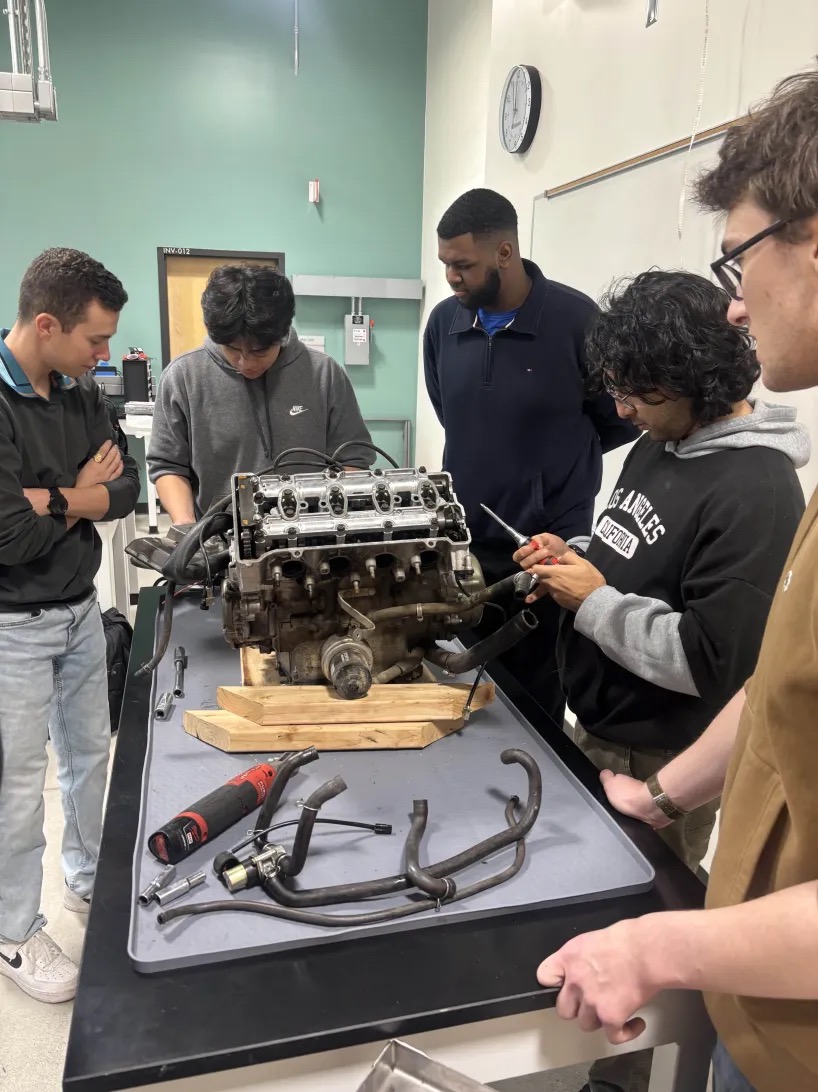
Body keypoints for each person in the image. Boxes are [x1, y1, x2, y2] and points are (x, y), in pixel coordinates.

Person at [533, 65, 818, 1092]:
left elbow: (712, 661)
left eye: (738, 259)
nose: (735, 305)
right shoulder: (659, 450)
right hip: (757, 996)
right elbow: (774, 687)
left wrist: (661, 945)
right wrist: (578, 563)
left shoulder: (759, 489)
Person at [423, 188, 636, 729]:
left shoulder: (577, 321)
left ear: (505, 252)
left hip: (547, 550)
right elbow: (451, 412)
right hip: (464, 548)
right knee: (461, 694)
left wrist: (548, 469)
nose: (451, 277)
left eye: (463, 265)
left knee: (536, 702)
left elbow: (617, 419)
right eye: (445, 263)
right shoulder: (445, 324)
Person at [0, 248, 140, 1004]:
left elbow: (125, 490)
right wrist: (78, 492)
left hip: (80, 611)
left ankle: (89, 880)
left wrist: (48, 498)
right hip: (10, 626)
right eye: (96, 339)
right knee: (18, 783)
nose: (104, 355)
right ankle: (13, 931)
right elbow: (6, 538)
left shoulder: (82, 393)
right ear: (48, 325)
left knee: (90, 756)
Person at [148, 265, 374, 524]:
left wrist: (333, 518)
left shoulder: (324, 374)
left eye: (259, 352)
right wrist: (186, 527)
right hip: (218, 534)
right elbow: (168, 465)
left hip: (311, 530)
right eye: (233, 349)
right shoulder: (183, 376)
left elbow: (353, 458)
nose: (245, 362)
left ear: (282, 334)